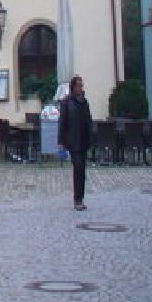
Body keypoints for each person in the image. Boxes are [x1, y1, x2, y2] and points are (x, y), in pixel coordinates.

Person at [58, 74, 93, 210]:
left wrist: (91, 134)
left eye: (81, 85)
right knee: (78, 168)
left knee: (82, 170)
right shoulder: (66, 102)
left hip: (83, 140)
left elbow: (88, 120)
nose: (80, 88)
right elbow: (62, 123)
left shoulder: (84, 102)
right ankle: (77, 199)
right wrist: (61, 140)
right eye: (78, 85)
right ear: (73, 87)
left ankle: (81, 198)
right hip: (72, 141)